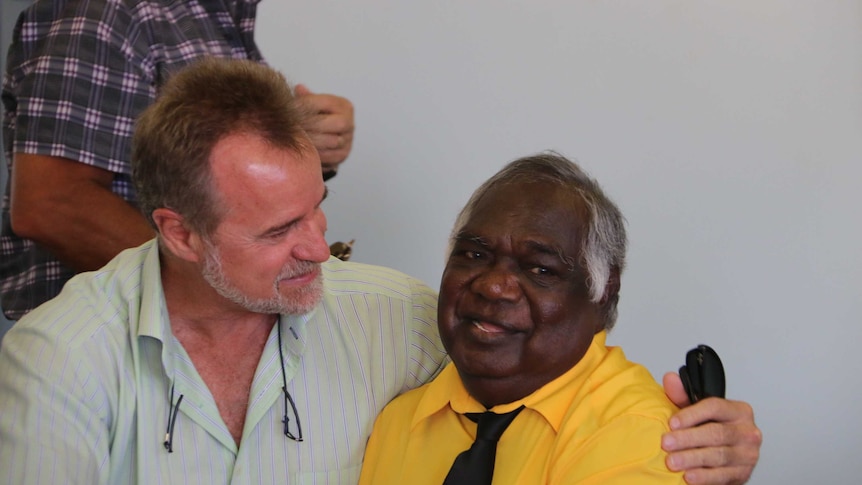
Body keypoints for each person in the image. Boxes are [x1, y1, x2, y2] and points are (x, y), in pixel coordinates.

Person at [0, 59, 759, 484]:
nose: (317, 247)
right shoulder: (62, 359)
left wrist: (714, 440)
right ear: (180, 235)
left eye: (317, 207)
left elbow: (554, 367)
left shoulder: (391, 315)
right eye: (278, 229)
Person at [359, 153, 760, 485]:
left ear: (603, 295)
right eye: (474, 255)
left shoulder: (644, 434)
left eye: (540, 269)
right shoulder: (397, 418)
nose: (494, 286)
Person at [0, 0, 355, 320]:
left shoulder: (212, 17)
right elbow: (51, 204)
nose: (318, 251)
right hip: (125, 344)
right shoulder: (106, 11)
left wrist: (306, 145)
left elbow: (221, 181)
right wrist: (225, 299)